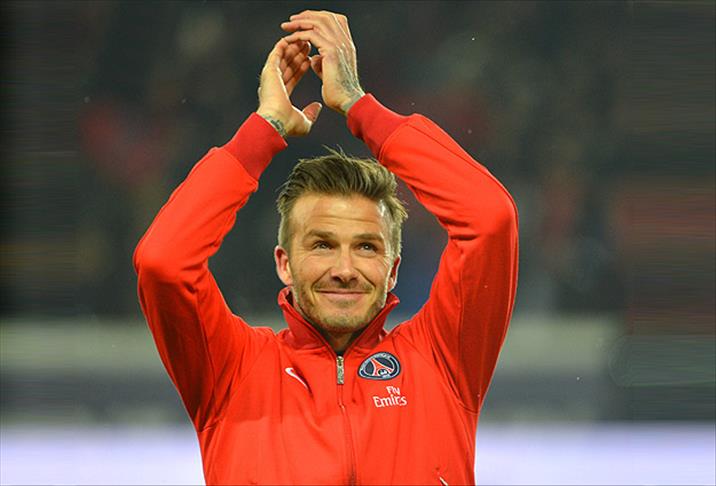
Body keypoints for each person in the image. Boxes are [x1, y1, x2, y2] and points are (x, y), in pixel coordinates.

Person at [134, 10, 518, 485]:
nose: (345, 268)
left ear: (393, 268)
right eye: (321, 245)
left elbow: (490, 219)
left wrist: (359, 106)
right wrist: (264, 128)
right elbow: (163, 262)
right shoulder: (231, 370)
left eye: (367, 248)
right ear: (284, 263)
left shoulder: (442, 360)